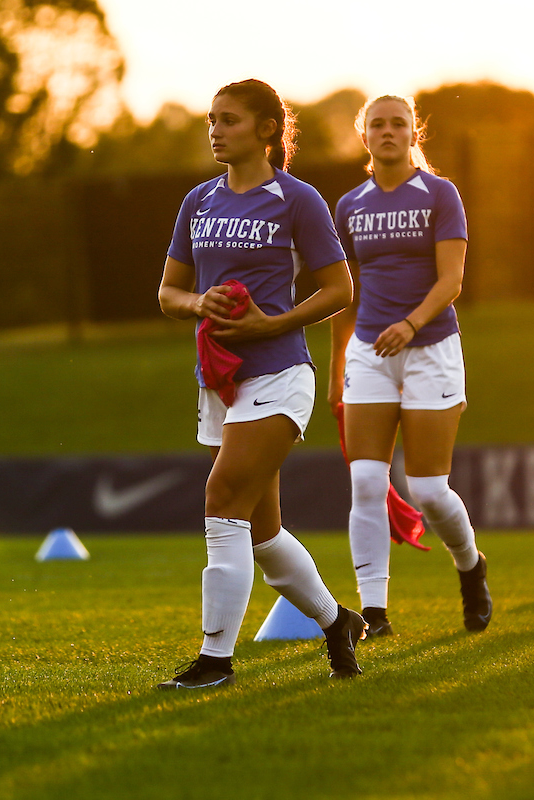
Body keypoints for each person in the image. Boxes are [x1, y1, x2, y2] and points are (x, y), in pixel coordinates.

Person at [156, 79, 365, 688]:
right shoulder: (199, 201)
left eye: (229, 120)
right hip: (220, 382)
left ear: (268, 129)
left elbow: (339, 290)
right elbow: (167, 294)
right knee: (264, 532)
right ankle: (337, 623)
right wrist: (199, 303)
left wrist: (274, 320)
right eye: (211, 120)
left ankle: (215, 661)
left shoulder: (297, 200)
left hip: (281, 374)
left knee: (222, 499)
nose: (215, 129)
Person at [330, 95, 491, 636]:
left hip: (431, 350)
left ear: (413, 132)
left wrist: (412, 324)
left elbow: (452, 281)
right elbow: (342, 295)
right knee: (367, 483)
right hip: (369, 356)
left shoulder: (440, 194)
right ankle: (373, 613)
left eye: (399, 123)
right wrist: (337, 372)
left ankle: (470, 565)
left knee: (427, 489)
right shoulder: (349, 205)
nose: (388, 131)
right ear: (365, 135)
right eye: (377, 124)